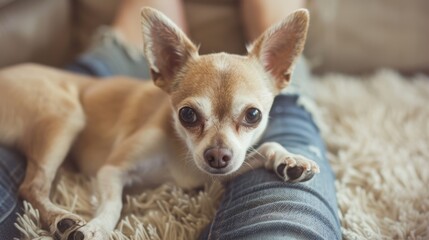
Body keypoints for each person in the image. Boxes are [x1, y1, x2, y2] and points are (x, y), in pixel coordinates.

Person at [0, 0, 342, 239]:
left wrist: (272, 153)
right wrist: (106, 218)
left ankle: (117, 52)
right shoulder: (159, 126)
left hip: (79, 89)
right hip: (32, 87)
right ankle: (114, 54)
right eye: (192, 117)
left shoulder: (261, 95)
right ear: (166, 69)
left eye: (250, 116)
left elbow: (251, 156)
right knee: (66, 111)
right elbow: (113, 170)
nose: (219, 150)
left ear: (279, 71)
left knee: (292, 154)